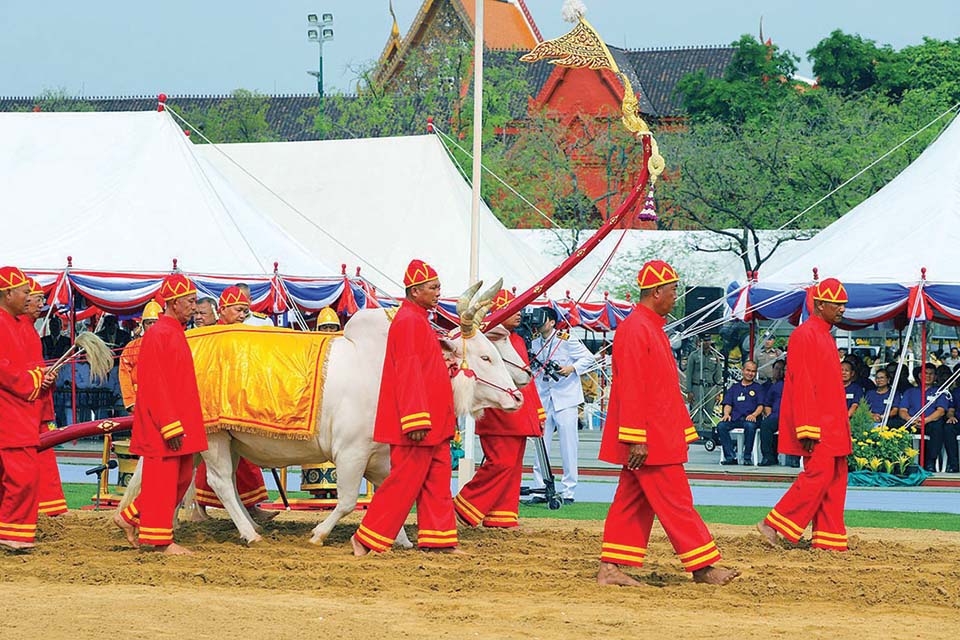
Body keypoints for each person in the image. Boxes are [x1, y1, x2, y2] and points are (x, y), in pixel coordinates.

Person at [596, 260, 738, 587]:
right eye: (673, 290)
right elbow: (631, 387)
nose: (676, 296)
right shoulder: (637, 328)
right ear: (657, 291)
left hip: (656, 434)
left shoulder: (648, 326)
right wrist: (636, 437)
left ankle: (610, 568)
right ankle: (703, 567)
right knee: (677, 502)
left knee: (631, 502)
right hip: (651, 438)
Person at [351, 259, 458, 555]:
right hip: (419, 423)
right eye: (433, 288)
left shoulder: (418, 318)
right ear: (415, 291)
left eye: (439, 287)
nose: (439, 292)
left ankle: (439, 540)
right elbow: (407, 371)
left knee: (438, 481)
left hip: (435, 421)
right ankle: (366, 538)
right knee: (403, 483)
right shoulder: (409, 320)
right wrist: (415, 419)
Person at [113, 274, 208, 555]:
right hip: (164, 423)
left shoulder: (174, 331)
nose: (194, 307)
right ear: (174, 302)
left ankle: (130, 516)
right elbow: (154, 384)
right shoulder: (159, 333)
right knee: (163, 480)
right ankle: (158, 540)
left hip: (179, 420)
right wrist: (169, 424)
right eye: (190, 301)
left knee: (180, 478)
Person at [757, 278, 852, 551]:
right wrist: (807, 427)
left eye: (843, 304)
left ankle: (829, 539)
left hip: (834, 424)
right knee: (819, 475)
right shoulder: (804, 334)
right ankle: (772, 523)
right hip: (818, 424)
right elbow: (801, 384)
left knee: (836, 476)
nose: (842, 309)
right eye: (837, 304)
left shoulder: (825, 335)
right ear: (820, 304)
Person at [453, 289, 545, 529]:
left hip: (520, 412)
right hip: (498, 412)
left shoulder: (517, 339)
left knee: (513, 465)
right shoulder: (487, 339)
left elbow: (527, 381)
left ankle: (502, 515)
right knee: (501, 463)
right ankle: (465, 505)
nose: (519, 314)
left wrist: (537, 411)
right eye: (512, 309)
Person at [193, 286, 271, 521]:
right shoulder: (212, 336)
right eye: (238, 310)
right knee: (212, 461)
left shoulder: (240, 333)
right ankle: (200, 509)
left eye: (245, 311)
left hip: (236, 406)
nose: (242, 315)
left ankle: (248, 507)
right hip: (214, 408)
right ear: (223, 310)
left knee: (241, 460)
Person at [0, 266, 56, 551]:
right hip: (10, 413)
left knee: (17, 476)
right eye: (25, 292)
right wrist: (35, 379)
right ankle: (11, 532)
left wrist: (40, 377)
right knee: (22, 476)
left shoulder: (14, 324)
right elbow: (5, 369)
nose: (30, 297)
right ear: (8, 293)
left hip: (19, 411)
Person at [529, 307, 595, 503]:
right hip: (544, 399)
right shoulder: (533, 342)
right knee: (541, 445)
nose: (538, 324)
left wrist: (571, 368)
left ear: (551, 322)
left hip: (566, 398)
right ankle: (540, 489)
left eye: (542, 320)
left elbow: (589, 358)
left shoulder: (566, 340)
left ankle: (568, 491)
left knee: (568, 445)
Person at [19, 278, 67, 517]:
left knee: (43, 457)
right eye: (38, 299)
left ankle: (49, 506)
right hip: (26, 406)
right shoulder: (18, 328)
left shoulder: (27, 329)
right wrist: (40, 378)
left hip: (36, 402)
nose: (41, 305)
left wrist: (45, 375)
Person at [899, 363, 951, 472]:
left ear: (935, 377)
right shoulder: (910, 391)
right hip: (912, 422)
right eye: (925, 373)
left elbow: (941, 411)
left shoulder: (940, 392)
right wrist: (910, 419)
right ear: (919, 376)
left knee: (938, 427)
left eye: (931, 374)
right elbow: (902, 410)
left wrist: (925, 420)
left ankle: (930, 462)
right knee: (896, 426)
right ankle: (903, 462)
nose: (928, 376)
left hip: (930, 422)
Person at [118, 301, 163, 412]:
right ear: (143, 325)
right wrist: (130, 402)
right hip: (140, 400)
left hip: (164, 399)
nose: (152, 326)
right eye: (149, 323)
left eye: (155, 322)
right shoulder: (132, 347)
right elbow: (124, 374)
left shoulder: (170, 343)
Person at [717, 360, 764, 465]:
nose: (750, 373)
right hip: (735, 418)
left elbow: (761, 405)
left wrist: (754, 415)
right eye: (748, 370)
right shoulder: (734, 388)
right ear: (742, 370)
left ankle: (747, 457)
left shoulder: (758, 388)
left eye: (753, 371)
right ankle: (730, 457)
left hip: (751, 419)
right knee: (721, 426)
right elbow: (728, 404)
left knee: (750, 426)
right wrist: (726, 414)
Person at [685, 335, 721, 437]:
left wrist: (718, 391)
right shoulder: (694, 355)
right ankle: (696, 434)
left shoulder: (715, 356)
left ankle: (707, 434)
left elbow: (718, 375)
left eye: (708, 340)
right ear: (699, 342)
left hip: (711, 388)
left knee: (709, 411)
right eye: (704, 340)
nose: (706, 343)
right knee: (696, 411)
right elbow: (689, 374)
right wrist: (689, 391)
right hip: (696, 387)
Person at [759, 360, 785, 466]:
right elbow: (768, 404)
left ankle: (794, 458)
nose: (780, 372)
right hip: (776, 416)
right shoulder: (775, 386)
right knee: (766, 424)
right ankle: (768, 457)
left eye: (782, 369)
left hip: (792, 417)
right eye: (777, 369)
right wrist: (769, 415)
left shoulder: (796, 384)